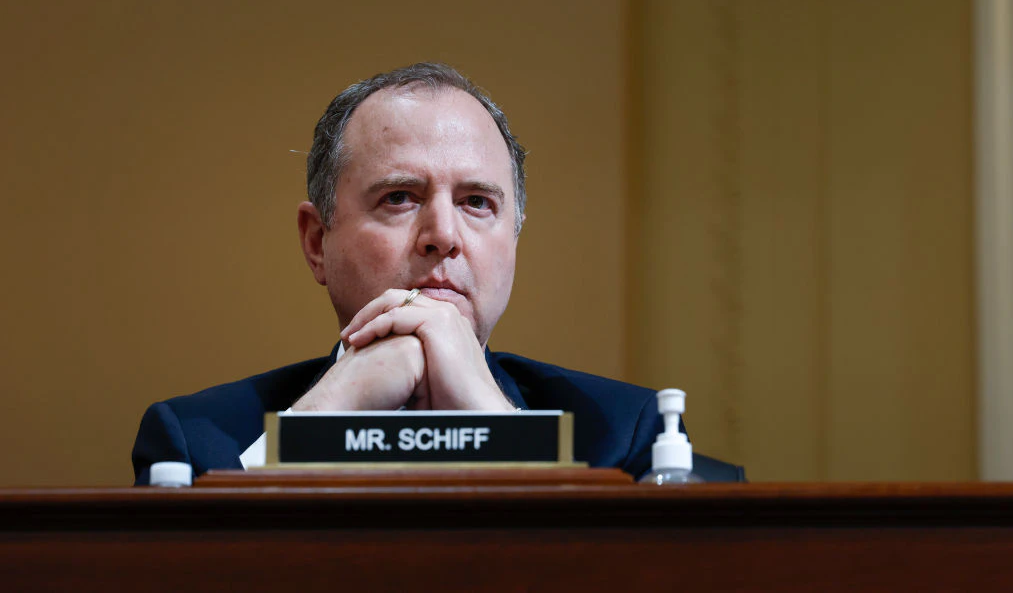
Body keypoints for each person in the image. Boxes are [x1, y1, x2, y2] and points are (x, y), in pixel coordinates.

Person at [131, 62, 744, 484]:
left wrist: (492, 419)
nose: (444, 235)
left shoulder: (624, 440)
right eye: (399, 197)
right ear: (318, 243)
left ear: (514, 238)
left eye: (478, 202)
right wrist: (324, 416)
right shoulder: (200, 442)